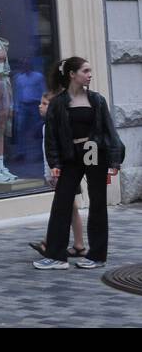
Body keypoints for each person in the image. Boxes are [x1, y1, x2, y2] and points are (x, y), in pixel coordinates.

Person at [33, 57, 125, 270]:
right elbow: (52, 137)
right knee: (62, 202)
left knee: (98, 202)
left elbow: (109, 131)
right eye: (85, 70)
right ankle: (56, 256)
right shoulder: (58, 103)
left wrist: (114, 160)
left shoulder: (97, 100)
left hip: (93, 152)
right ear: (72, 75)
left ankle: (96, 255)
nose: (90, 74)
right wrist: (54, 163)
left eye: (90, 70)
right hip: (71, 155)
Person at [29, 83, 87, 260]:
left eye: (45, 103)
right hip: (63, 173)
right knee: (70, 209)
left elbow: (56, 154)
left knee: (61, 210)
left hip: (63, 174)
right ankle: (78, 245)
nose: (40, 106)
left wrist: (54, 174)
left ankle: (50, 243)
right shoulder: (49, 125)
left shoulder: (56, 126)